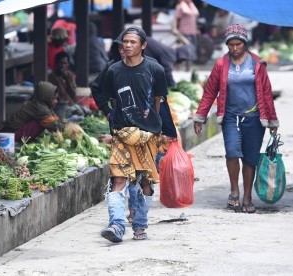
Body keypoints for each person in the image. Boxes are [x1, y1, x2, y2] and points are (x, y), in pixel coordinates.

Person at [193, 24, 279, 214]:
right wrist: (200, 116)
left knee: (250, 158)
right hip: (231, 116)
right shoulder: (221, 65)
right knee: (232, 152)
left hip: (255, 117)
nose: (234, 48)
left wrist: (272, 121)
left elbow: (266, 93)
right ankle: (234, 191)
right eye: (230, 45)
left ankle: (247, 196)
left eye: (237, 44)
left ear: (245, 44)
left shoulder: (257, 64)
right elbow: (210, 92)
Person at [99, 26, 168, 242]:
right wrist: (115, 123)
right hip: (121, 133)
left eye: (132, 42)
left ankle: (140, 226)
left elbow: (158, 101)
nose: (127, 46)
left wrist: (155, 129)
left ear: (143, 45)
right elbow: (113, 101)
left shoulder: (155, 70)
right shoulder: (113, 71)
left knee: (144, 182)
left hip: (147, 135)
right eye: (124, 42)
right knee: (118, 180)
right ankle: (117, 225)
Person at [48, 51, 83, 120]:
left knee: (83, 111)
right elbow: (58, 97)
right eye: (60, 63)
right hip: (60, 108)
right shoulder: (52, 77)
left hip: (71, 105)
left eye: (65, 63)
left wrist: (66, 79)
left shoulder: (70, 75)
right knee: (79, 117)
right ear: (56, 64)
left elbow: (73, 95)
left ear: (68, 64)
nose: (62, 66)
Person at [172, 0, 199, 71]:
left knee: (191, 51)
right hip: (184, 32)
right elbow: (176, 19)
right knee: (182, 51)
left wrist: (197, 29)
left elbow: (194, 19)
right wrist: (174, 29)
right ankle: (178, 68)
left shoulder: (192, 6)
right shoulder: (180, 6)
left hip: (192, 32)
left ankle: (188, 68)